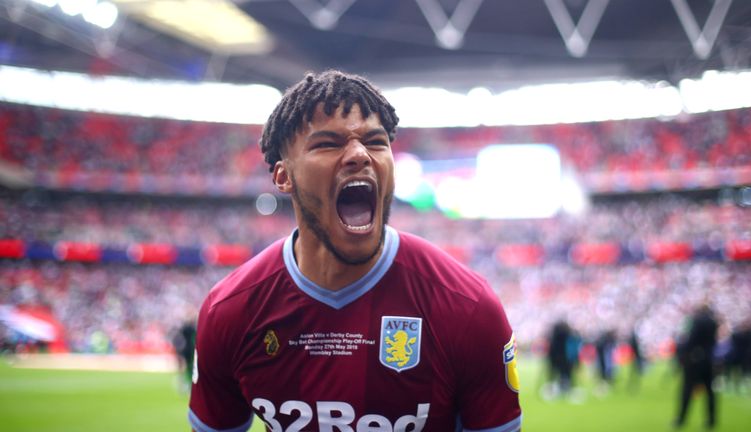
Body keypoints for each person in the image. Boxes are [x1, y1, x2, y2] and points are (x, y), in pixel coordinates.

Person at [188, 70, 522, 432]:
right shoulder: (231, 311)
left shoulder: (467, 306)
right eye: (328, 144)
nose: (359, 155)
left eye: (376, 142)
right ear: (284, 176)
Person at [674, 304, 719, 429]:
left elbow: (690, 341)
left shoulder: (695, 321)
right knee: (710, 391)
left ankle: (681, 419)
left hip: (694, 360)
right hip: (708, 360)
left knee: (687, 389)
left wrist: (683, 354)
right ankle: (711, 420)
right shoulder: (713, 322)